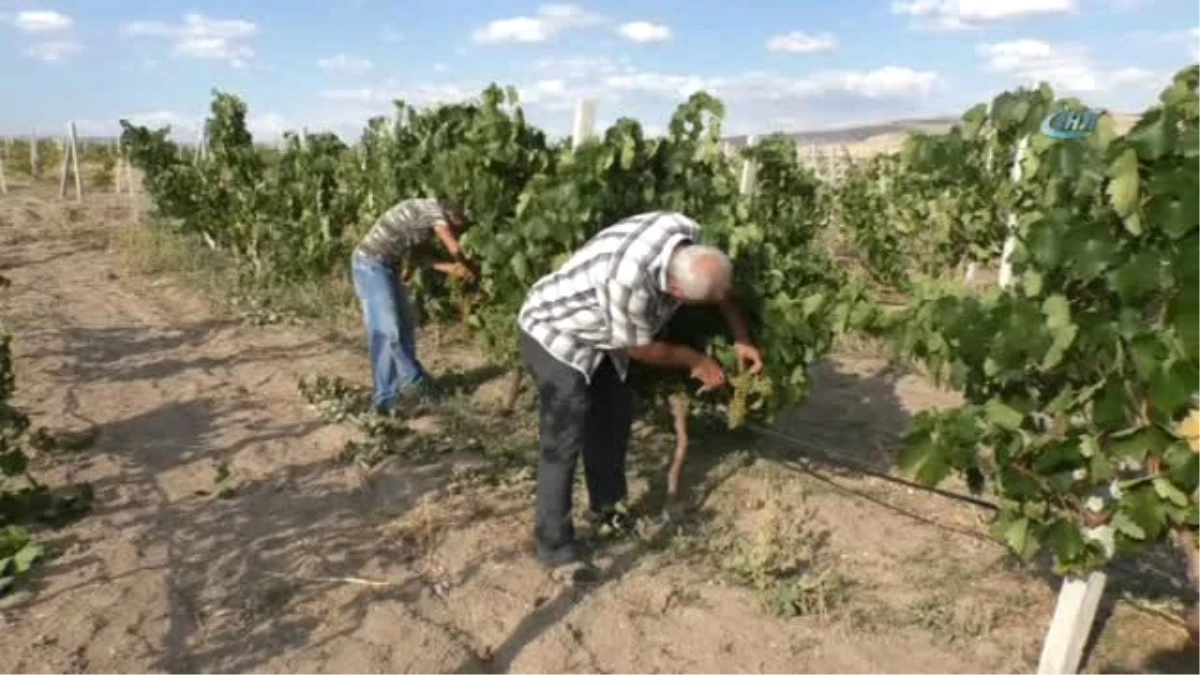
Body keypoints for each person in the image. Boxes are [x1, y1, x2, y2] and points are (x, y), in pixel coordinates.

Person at [517, 210, 764, 582]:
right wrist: (697, 361)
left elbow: (718, 286)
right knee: (565, 433)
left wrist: (741, 336)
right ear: (676, 292)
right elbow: (639, 349)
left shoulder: (686, 232)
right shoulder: (627, 283)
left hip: (602, 332)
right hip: (555, 330)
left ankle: (608, 507)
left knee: (615, 412)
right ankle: (555, 546)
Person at [352, 198, 474, 413]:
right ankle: (386, 399)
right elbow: (452, 246)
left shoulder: (423, 224)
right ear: (452, 214)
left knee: (406, 325)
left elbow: (420, 259)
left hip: (387, 268)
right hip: (369, 264)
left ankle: (414, 382)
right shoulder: (432, 210)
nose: (457, 229)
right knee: (385, 331)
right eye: (458, 223)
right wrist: (467, 265)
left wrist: (450, 269)